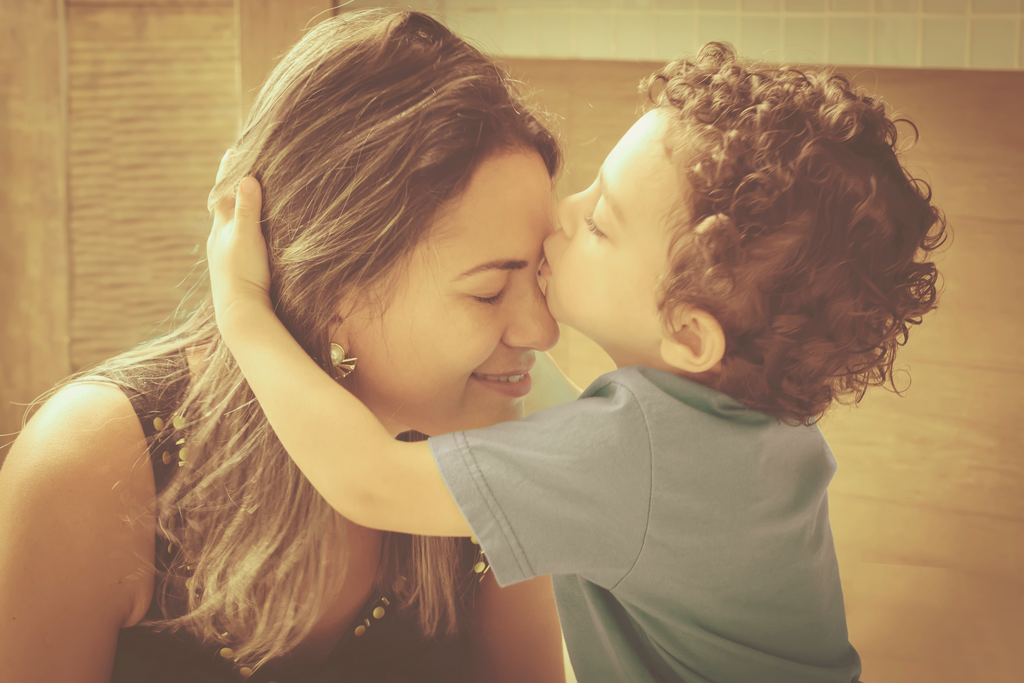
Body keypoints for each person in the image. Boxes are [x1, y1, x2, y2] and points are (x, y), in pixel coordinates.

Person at [207, 42, 949, 682]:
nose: (562, 214)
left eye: (599, 221)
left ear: (688, 335)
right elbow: (561, 415)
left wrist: (244, 305)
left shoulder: (633, 458)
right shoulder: (759, 432)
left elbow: (367, 482)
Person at [0, 9, 573, 683]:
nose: (543, 331)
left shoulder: (501, 453)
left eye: (540, 275)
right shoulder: (94, 462)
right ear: (337, 290)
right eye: (487, 292)